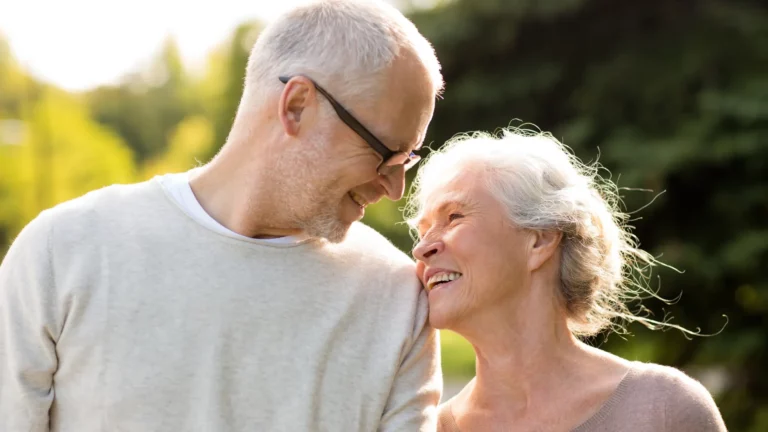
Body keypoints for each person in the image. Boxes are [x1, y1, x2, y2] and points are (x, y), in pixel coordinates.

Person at [0, 1, 445, 430]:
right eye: (386, 153)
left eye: (407, 160)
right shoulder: (63, 252)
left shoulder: (397, 302)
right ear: (297, 106)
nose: (394, 186)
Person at [407, 128, 728, 431]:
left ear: (540, 239)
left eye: (454, 217)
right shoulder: (426, 429)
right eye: (422, 232)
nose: (422, 248)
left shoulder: (664, 409)